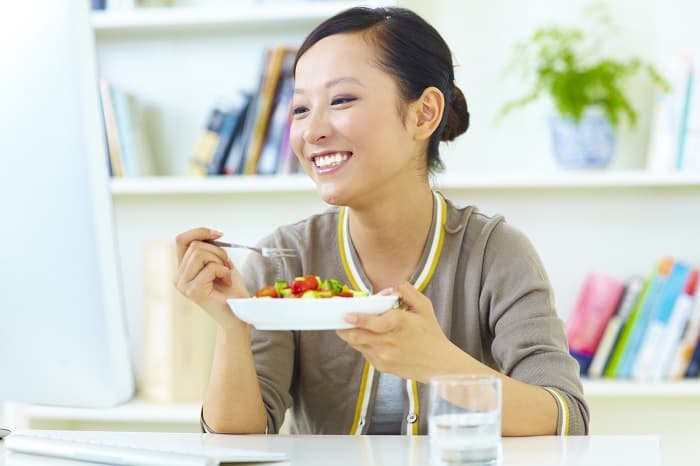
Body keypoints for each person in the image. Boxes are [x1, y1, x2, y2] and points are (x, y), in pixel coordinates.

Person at [174, 6, 589, 437]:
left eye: (341, 100)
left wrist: (439, 362)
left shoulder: (495, 253)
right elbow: (236, 443)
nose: (312, 131)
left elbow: (567, 421)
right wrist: (231, 326)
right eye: (300, 109)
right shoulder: (285, 261)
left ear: (424, 114)